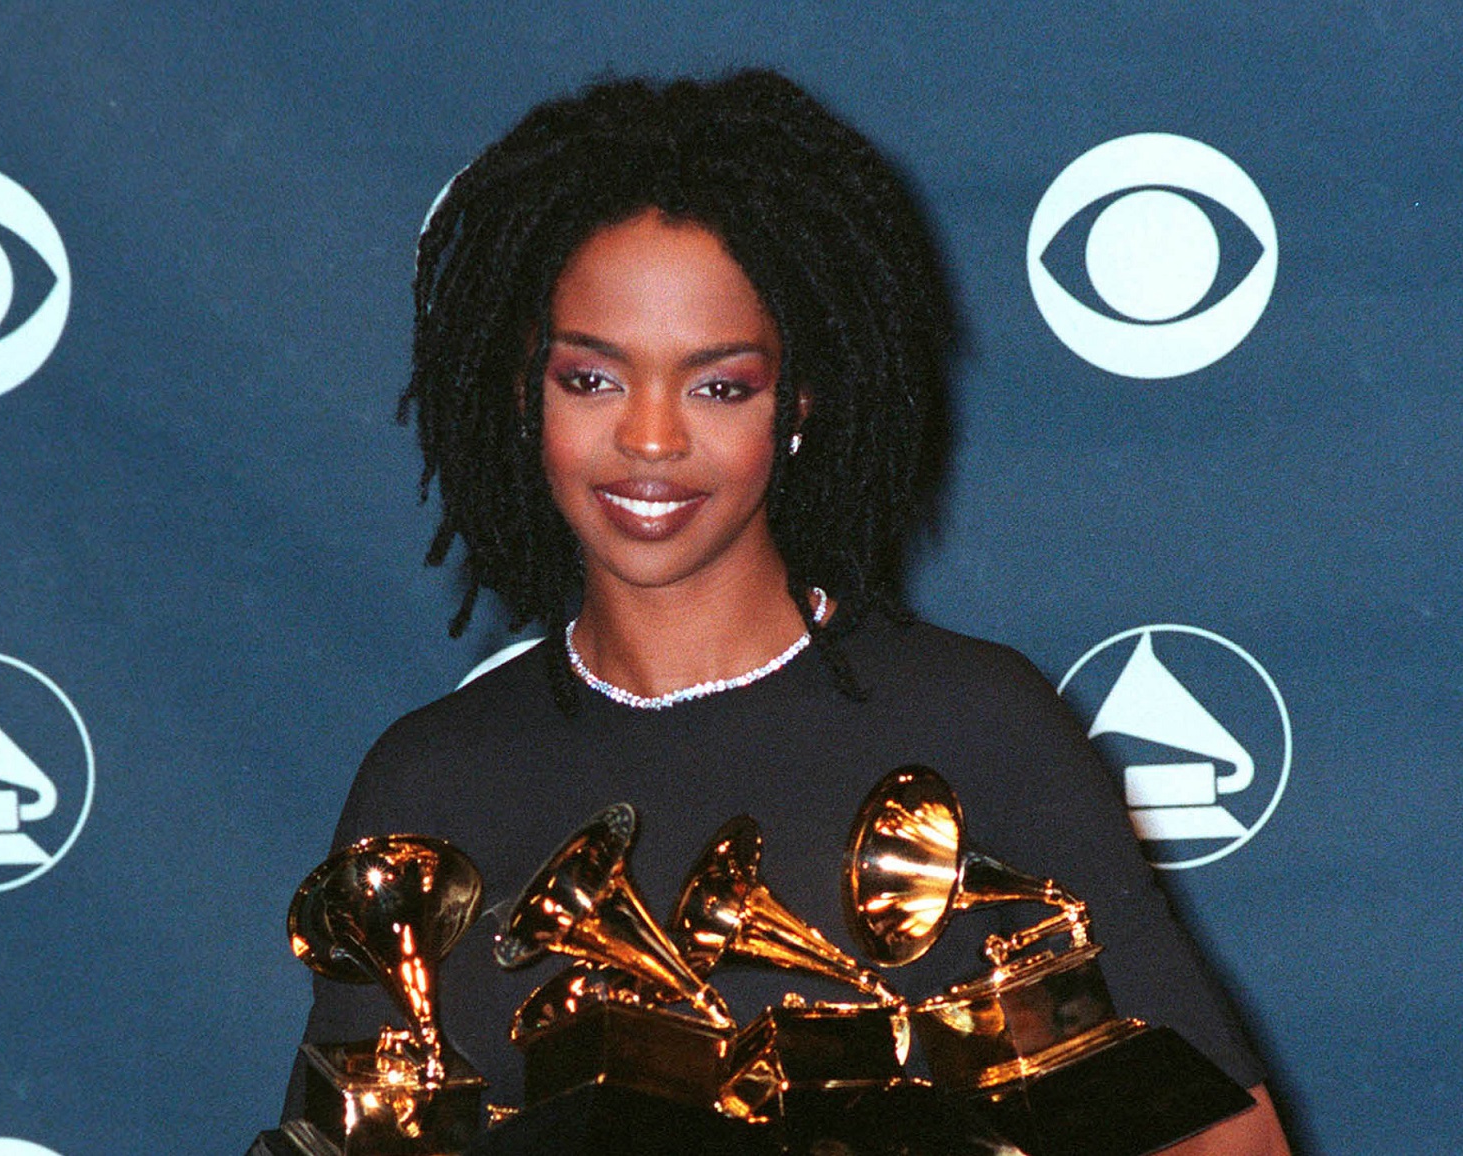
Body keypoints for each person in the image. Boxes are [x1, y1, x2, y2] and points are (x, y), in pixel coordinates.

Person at [287, 70, 1290, 1153]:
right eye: (592, 379)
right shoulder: (429, 779)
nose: (651, 440)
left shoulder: (978, 726)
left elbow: (1220, 1145)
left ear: (800, 398)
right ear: (520, 388)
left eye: (718, 385)